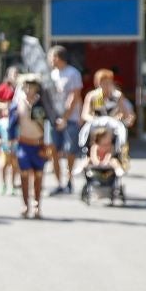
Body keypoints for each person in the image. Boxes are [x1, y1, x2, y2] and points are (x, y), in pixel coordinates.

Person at [46, 45, 84, 194]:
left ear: (57, 57)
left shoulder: (73, 73)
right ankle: (58, 183)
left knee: (70, 151)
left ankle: (69, 180)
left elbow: (74, 96)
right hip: (53, 119)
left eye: (51, 57)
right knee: (53, 150)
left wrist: (65, 118)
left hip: (71, 119)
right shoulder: (51, 75)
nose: (49, 60)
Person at [13, 74, 51, 218]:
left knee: (38, 175)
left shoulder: (42, 103)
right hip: (23, 144)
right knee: (24, 174)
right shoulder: (19, 102)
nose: (29, 90)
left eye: (32, 87)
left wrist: (47, 145)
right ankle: (25, 204)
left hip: (39, 144)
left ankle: (36, 205)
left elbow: (49, 124)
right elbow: (12, 124)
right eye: (26, 87)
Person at [81, 68, 135, 165]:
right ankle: (89, 154)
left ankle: (117, 152)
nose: (106, 85)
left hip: (112, 125)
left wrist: (123, 117)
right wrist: (95, 119)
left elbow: (125, 113)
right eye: (103, 82)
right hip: (97, 125)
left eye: (108, 82)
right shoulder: (94, 96)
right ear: (98, 83)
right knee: (89, 130)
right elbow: (85, 114)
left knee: (120, 131)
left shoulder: (117, 96)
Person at [0, 66, 20, 195]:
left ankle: (13, 184)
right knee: (4, 163)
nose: (15, 76)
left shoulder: (23, 88)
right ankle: (4, 184)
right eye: (13, 74)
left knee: (15, 163)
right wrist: (5, 106)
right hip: (6, 125)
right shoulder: (4, 88)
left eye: (17, 74)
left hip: (18, 125)